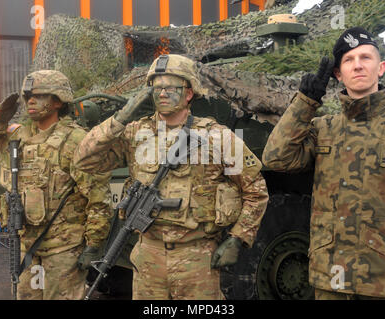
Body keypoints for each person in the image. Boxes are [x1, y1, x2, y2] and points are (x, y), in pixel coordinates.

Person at [74, 54, 269, 300]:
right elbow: (83, 160)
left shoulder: (218, 137)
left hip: (197, 261)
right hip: (147, 259)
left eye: (171, 88)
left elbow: (256, 191)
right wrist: (121, 118)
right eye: (156, 88)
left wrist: (238, 238)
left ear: (189, 93)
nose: (162, 94)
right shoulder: (135, 133)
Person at [262, 27, 385, 300]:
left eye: (366, 58)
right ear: (338, 75)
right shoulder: (323, 128)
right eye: (349, 61)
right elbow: (276, 157)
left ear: (381, 68)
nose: (358, 66)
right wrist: (305, 103)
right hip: (330, 280)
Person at [0, 70, 112, 300]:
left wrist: (93, 245)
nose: (31, 101)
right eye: (28, 96)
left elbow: (98, 196)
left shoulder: (75, 140)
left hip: (64, 250)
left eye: (40, 96)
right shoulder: (18, 138)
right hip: (26, 246)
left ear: (58, 101)